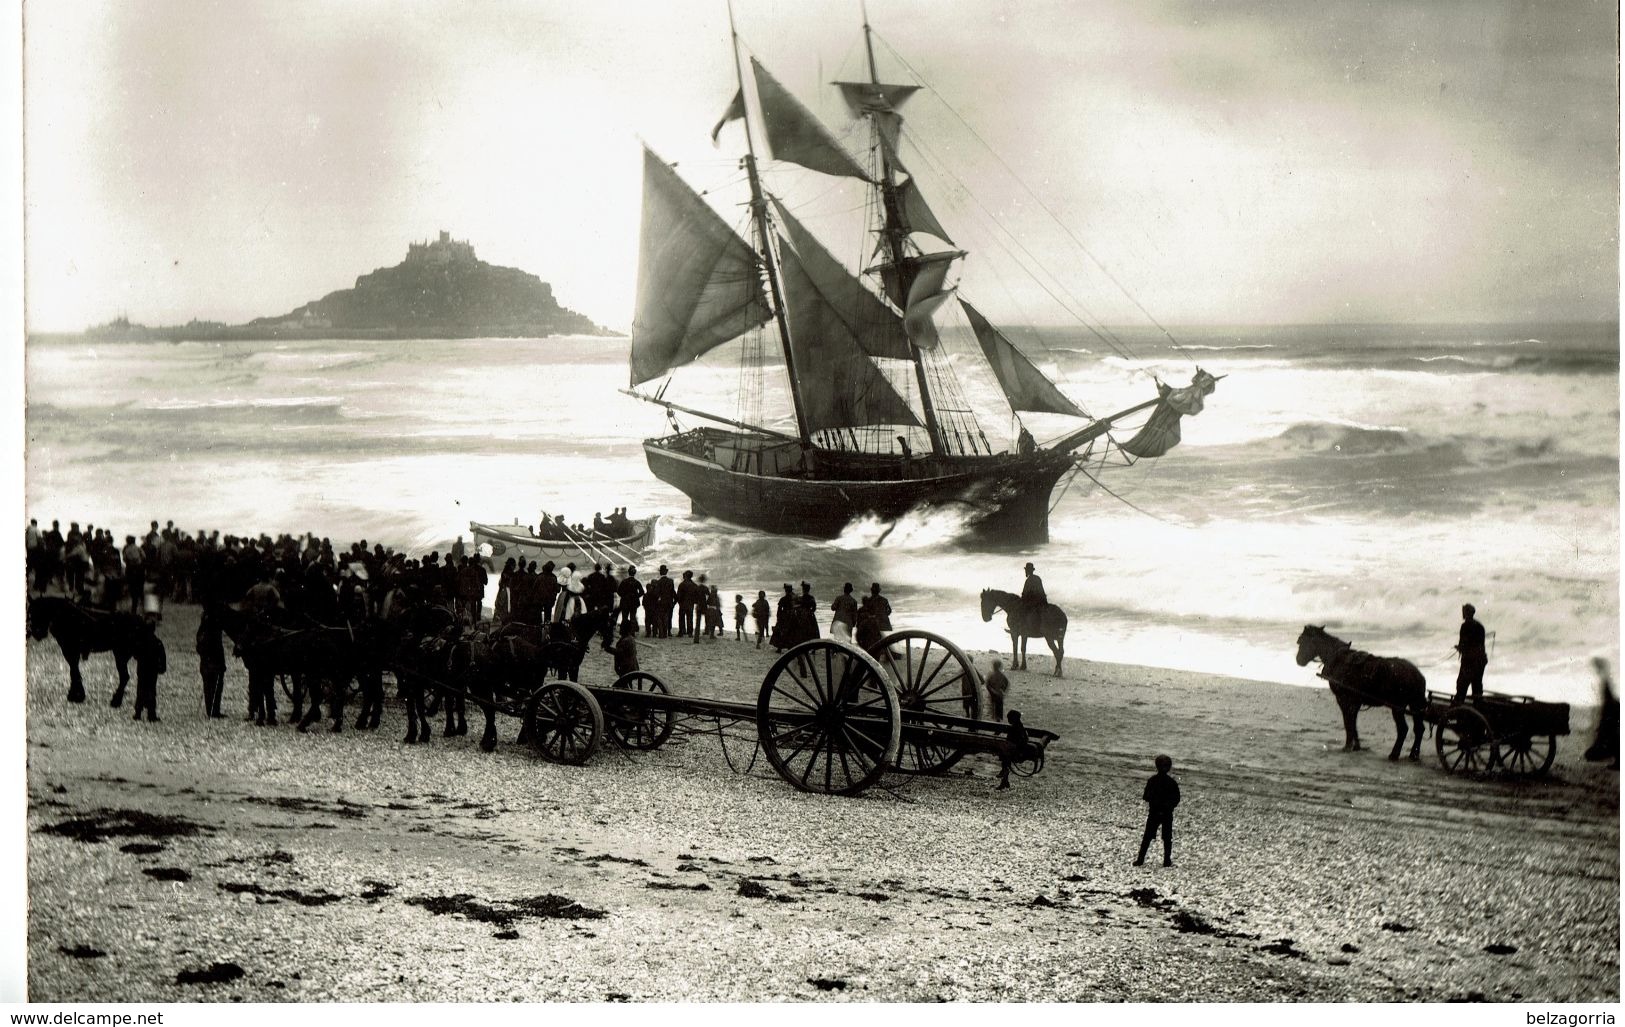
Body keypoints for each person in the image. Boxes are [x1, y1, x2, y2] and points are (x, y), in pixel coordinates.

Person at [1135, 754, 1181, 867]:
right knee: (1167, 838)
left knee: (1148, 837)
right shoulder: (1172, 783)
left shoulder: (1152, 780)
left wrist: (1156, 803)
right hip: (1166, 813)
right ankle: (1166, 860)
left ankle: (1141, 859)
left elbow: (1146, 796)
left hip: (1155, 812)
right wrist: (1168, 806)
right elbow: (1176, 799)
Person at [1585, 656, 1619, 769]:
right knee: (1613, 736)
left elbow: (1608, 698)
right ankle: (1618, 761)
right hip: (1612, 709)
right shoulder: (1605, 677)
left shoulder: (1604, 679)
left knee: (1612, 736)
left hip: (1611, 710)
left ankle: (1618, 763)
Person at [132, 619, 167, 723]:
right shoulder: (157, 642)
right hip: (152, 671)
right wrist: (162, 668)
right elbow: (162, 657)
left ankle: (138, 712)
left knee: (140, 690)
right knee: (151, 691)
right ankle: (151, 714)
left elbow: (135, 655)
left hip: (142, 669)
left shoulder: (140, 641)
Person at [196, 606, 227, 719]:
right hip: (213, 661)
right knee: (216, 685)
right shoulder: (213, 630)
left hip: (206, 661)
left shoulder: (202, 630)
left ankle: (211, 710)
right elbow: (218, 648)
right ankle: (214, 711)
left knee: (208, 686)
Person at [1454, 603, 1488, 702]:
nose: (1462, 613)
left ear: (1467, 613)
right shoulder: (1480, 626)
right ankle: (1478, 708)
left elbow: (1463, 644)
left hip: (1469, 661)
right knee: (1477, 686)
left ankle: (1457, 707)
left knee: (1461, 686)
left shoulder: (1465, 626)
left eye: (1464, 611)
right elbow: (1480, 644)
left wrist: (1459, 648)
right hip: (1481, 661)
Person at [995, 710, 1033, 790]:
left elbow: (1015, 739)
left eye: (1009, 719)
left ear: (1014, 719)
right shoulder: (1018, 726)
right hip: (1015, 748)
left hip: (1016, 750)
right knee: (1006, 762)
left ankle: (1004, 779)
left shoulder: (1016, 728)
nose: (1008, 720)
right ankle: (1005, 781)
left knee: (1005, 758)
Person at [1019, 562, 1046, 635]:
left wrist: (1022, 600)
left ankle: (1023, 629)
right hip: (1042, 601)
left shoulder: (1029, 580)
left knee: (1021, 612)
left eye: (1026, 570)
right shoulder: (1037, 578)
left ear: (1029, 571)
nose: (1026, 571)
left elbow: (1025, 593)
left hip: (1034, 602)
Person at [618, 566, 644, 635]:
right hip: (633, 603)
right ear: (634, 573)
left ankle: (623, 631)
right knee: (633, 617)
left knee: (624, 617)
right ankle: (632, 632)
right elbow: (642, 592)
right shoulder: (637, 582)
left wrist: (624, 596)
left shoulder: (624, 581)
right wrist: (636, 597)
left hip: (625, 602)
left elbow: (619, 591)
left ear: (628, 572)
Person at [677, 571, 699, 638]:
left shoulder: (682, 585)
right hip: (690, 604)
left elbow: (678, 596)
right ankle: (690, 633)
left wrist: (679, 602)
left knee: (681, 618)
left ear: (685, 576)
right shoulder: (694, 585)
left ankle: (681, 632)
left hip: (683, 604)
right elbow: (697, 596)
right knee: (690, 618)